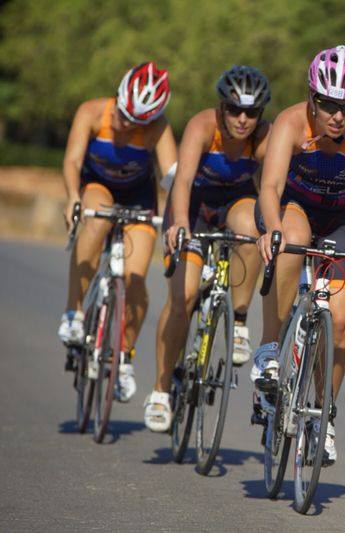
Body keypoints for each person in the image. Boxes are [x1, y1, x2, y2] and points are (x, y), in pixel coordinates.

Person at [251, 45, 345, 465]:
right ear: (312, 97)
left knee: (342, 321)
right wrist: (272, 228)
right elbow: (271, 186)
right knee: (292, 238)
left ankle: (322, 414)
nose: (337, 115)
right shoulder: (292, 122)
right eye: (327, 103)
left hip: (343, 219)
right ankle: (270, 347)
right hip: (291, 208)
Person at [147, 66, 271, 432]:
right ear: (221, 108)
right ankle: (160, 389)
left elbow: (270, 189)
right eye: (235, 110)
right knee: (183, 298)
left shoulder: (263, 137)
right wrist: (180, 223)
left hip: (234, 204)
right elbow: (182, 180)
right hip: (194, 208)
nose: (243, 119)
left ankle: (241, 319)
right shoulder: (203, 126)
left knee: (251, 230)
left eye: (252, 112)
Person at [59, 62, 176, 402]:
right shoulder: (92, 112)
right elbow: (71, 160)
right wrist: (72, 198)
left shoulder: (157, 128)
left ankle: (123, 356)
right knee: (97, 221)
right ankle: (74, 312)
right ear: (119, 96)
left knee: (136, 278)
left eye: (137, 121)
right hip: (98, 187)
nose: (126, 124)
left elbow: (171, 177)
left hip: (138, 197)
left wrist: (178, 208)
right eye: (124, 114)